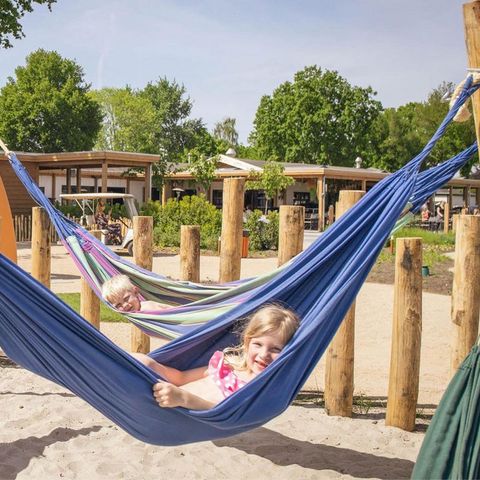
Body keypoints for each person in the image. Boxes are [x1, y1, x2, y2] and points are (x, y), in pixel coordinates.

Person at [143, 304, 300, 410]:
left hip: (176, 409)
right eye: (258, 344)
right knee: (142, 361)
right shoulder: (226, 365)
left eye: (275, 349)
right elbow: (182, 377)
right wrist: (153, 365)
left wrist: (183, 398)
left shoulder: (259, 390)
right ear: (247, 342)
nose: (264, 354)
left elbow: (221, 413)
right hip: (163, 397)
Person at [101, 274, 167, 312]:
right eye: (118, 305)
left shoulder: (148, 308)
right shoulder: (135, 314)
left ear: (136, 292)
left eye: (126, 299)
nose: (124, 305)